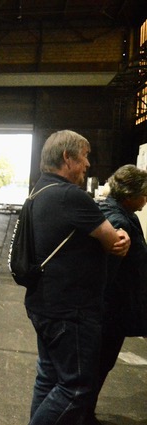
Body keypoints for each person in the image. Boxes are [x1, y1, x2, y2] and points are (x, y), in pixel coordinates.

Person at [24, 130, 129, 425]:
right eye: (84, 156)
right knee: (77, 387)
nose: (88, 164)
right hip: (71, 311)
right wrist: (122, 234)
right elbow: (114, 243)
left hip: (43, 304)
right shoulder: (71, 196)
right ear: (67, 157)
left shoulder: (38, 191)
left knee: (49, 376)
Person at [87, 164, 147, 424]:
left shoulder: (116, 212)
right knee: (100, 365)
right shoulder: (119, 221)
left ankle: (84, 412)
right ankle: (83, 415)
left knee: (98, 365)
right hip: (111, 312)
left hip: (110, 310)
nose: (146, 199)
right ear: (129, 195)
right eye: (144, 194)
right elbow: (107, 276)